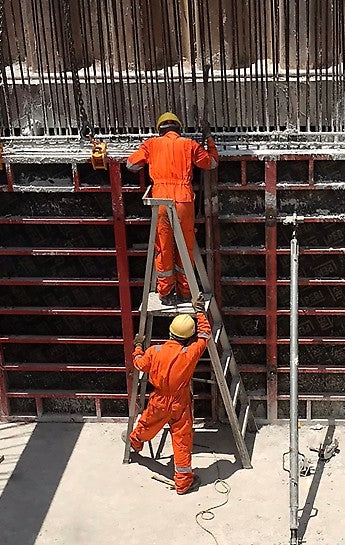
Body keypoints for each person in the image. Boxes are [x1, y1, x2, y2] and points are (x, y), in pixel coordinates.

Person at [126, 112, 219, 306]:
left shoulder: (151, 144)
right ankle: (186, 292)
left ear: (160, 129)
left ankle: (166, 293)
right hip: (184, 200)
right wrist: (209, 139)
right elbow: (211, 163)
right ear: (179, 128)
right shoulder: (189, 144)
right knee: (185, 246)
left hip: (160, 200)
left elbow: (131, 165)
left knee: (164, 246)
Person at [125, 296, 210, 494]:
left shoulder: (154, 351)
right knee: (182, 441)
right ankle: (183, 483)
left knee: (147, 423)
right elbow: (205, 334)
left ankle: (135, 442)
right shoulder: (190, 354)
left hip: (159, 399)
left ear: (170, 332)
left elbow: (139, 364)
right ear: (188, 337)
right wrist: (200, 312)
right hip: (180, 402)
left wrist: (138, 347)